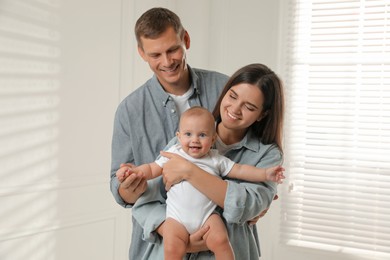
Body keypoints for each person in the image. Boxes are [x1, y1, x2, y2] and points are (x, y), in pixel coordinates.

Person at [109, 7, 229, 260]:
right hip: (156, 249)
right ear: (142, 54)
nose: (167, 62)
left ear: (185, 40)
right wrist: (128, 188)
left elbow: (252, 155)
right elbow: (119, 188)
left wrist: (256, 200)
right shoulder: (129, 110)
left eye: (172, 49)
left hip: (222, 240)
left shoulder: (226, 90)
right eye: (155, 54)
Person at [131, 63, 285, 259]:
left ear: (262, 115)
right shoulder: (185, 140)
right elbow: (145, 201)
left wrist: (190, 171)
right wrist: (176, 237)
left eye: (249, 107)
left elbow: (248, 206)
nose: (235, 109)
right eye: (232, 96)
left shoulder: (268, 155)